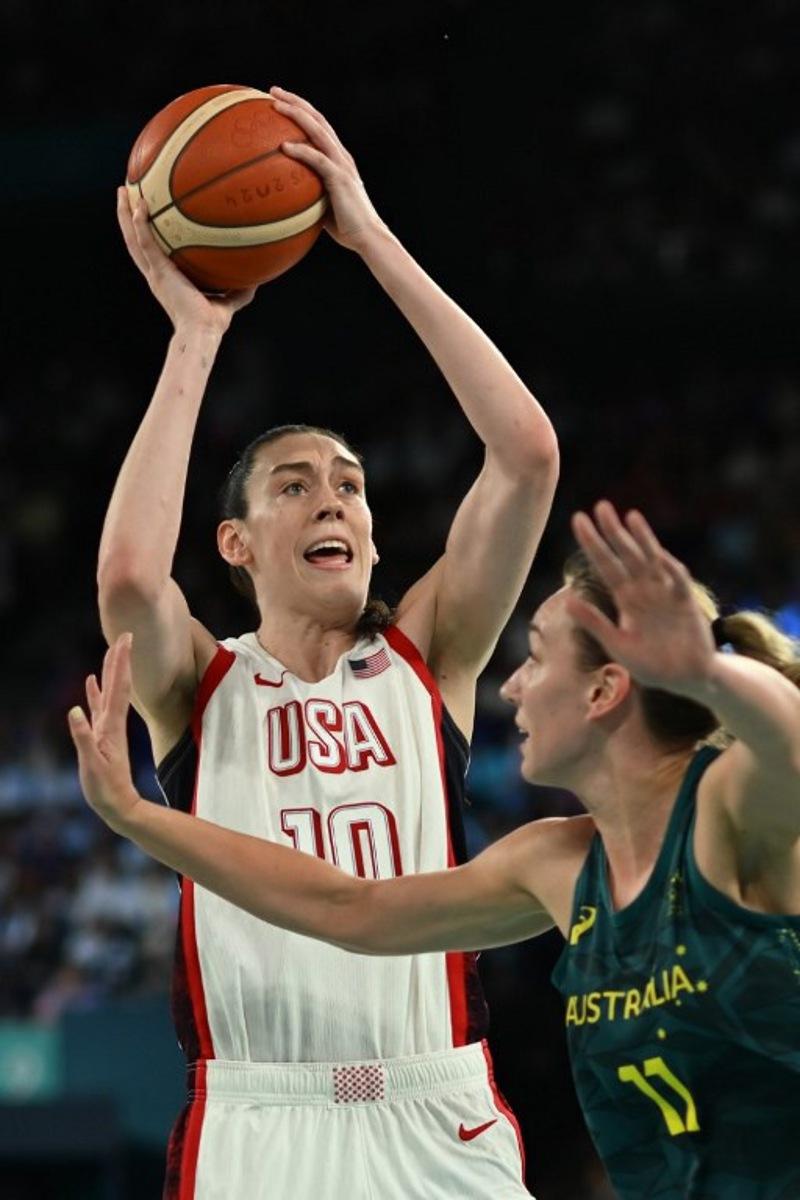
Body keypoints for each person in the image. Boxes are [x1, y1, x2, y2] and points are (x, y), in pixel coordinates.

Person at [99, 85, 558, 1198]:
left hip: (434, 1102)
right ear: (238, 543)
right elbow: (126, 578)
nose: (335, 505)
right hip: (259, 1115)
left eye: (349, 487)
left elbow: (526, 456)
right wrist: (195, 335)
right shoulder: (201, 685)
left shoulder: (429, 653)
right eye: (295, 488)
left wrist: (368, 235)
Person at [72, 501, 800, 1200]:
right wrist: (136, 815)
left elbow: (790, 745)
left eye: (536, 659)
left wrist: (703, 673)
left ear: (605, 690)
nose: (511, 685)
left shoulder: (725, 813)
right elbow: (346, 906)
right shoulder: (555, 865)